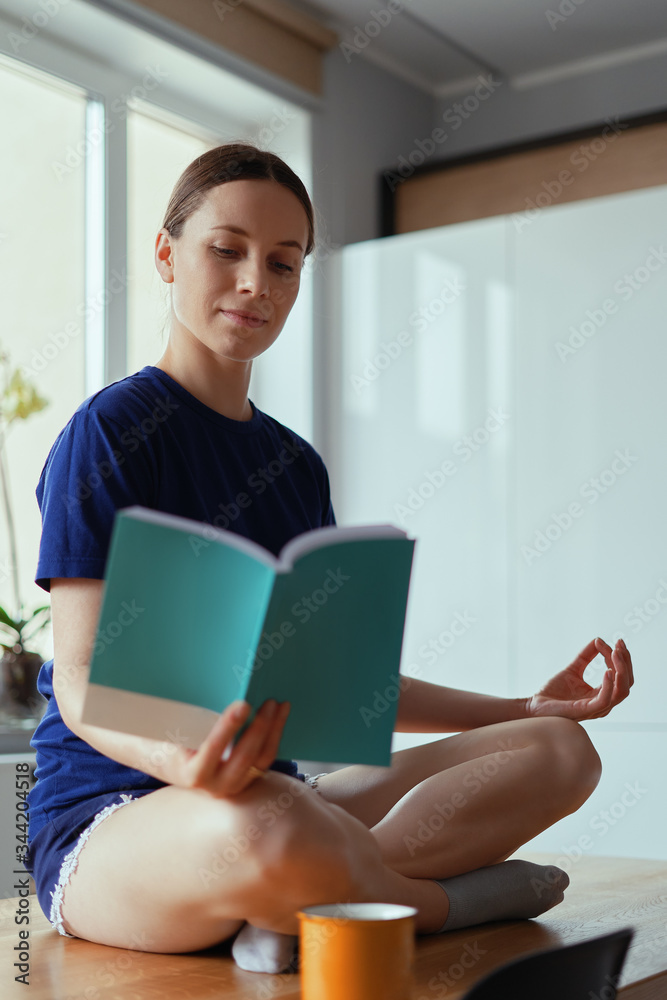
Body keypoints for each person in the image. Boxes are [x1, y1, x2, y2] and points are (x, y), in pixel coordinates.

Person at [24, 142, 634, 975]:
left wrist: (522, 703)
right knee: (270, 815)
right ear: (166, 255)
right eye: (226, 250)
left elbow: (348, 696)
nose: (255, 284)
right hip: (123, 822)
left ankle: (309, 906)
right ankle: (430, 905)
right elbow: (79, 674)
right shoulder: (111, 432)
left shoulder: (294, 465)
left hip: (284, 804)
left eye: (283, 263)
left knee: (558, 751)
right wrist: (185, 761)